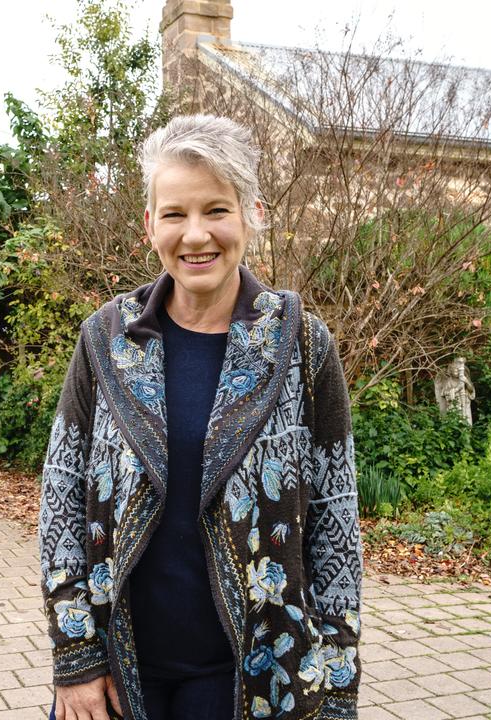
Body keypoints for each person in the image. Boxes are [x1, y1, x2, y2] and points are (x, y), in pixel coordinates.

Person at [38, 114, 363, 720]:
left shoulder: (303, 344)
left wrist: (338, 677)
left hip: (258, 674)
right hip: (120, 670)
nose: (195, 235)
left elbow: (334, 517)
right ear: (149, 225)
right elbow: (61, 502)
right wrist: (75, 658)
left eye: (216, 210)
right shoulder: (106, 339)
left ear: (251, 214)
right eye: (174, 214)